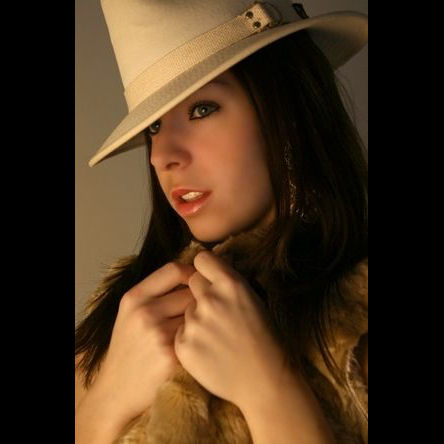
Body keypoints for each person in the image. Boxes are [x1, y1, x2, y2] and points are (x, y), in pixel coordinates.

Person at [75, 1, 368, 443]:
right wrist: (106, 402)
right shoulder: (122, 316)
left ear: (287, 114)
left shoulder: (356, 315)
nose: (162, 155)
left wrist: (267, 387)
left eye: (201, 109)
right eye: (153, 127)